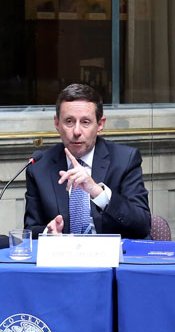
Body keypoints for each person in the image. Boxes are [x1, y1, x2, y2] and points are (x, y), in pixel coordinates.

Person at [24, 83, 151, 238]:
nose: (76, 131)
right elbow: (30, 230)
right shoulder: (39, 167)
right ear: (57, 124)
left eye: (85, 122)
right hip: (62, 258)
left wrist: (96, 191)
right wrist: (47, 232)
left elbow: (142, 225)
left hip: (113, 257)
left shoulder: (125, 160)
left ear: (100, 124)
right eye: (69, 121)